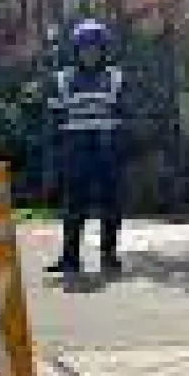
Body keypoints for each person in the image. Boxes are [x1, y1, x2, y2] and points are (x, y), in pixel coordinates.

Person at [46, 19, 129, 274]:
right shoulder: (63, 79)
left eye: (95, 48)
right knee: (73, 205)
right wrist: (55, 151)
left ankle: (109, 256)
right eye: (85, 48)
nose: (90, 53)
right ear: (76, 51)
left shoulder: (116, 77)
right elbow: (53, 117)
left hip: (107, 147)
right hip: (76, 148)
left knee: (111, 203)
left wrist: (123, 144)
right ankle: (70, 258)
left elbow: (127, 113)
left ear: (103, 50)